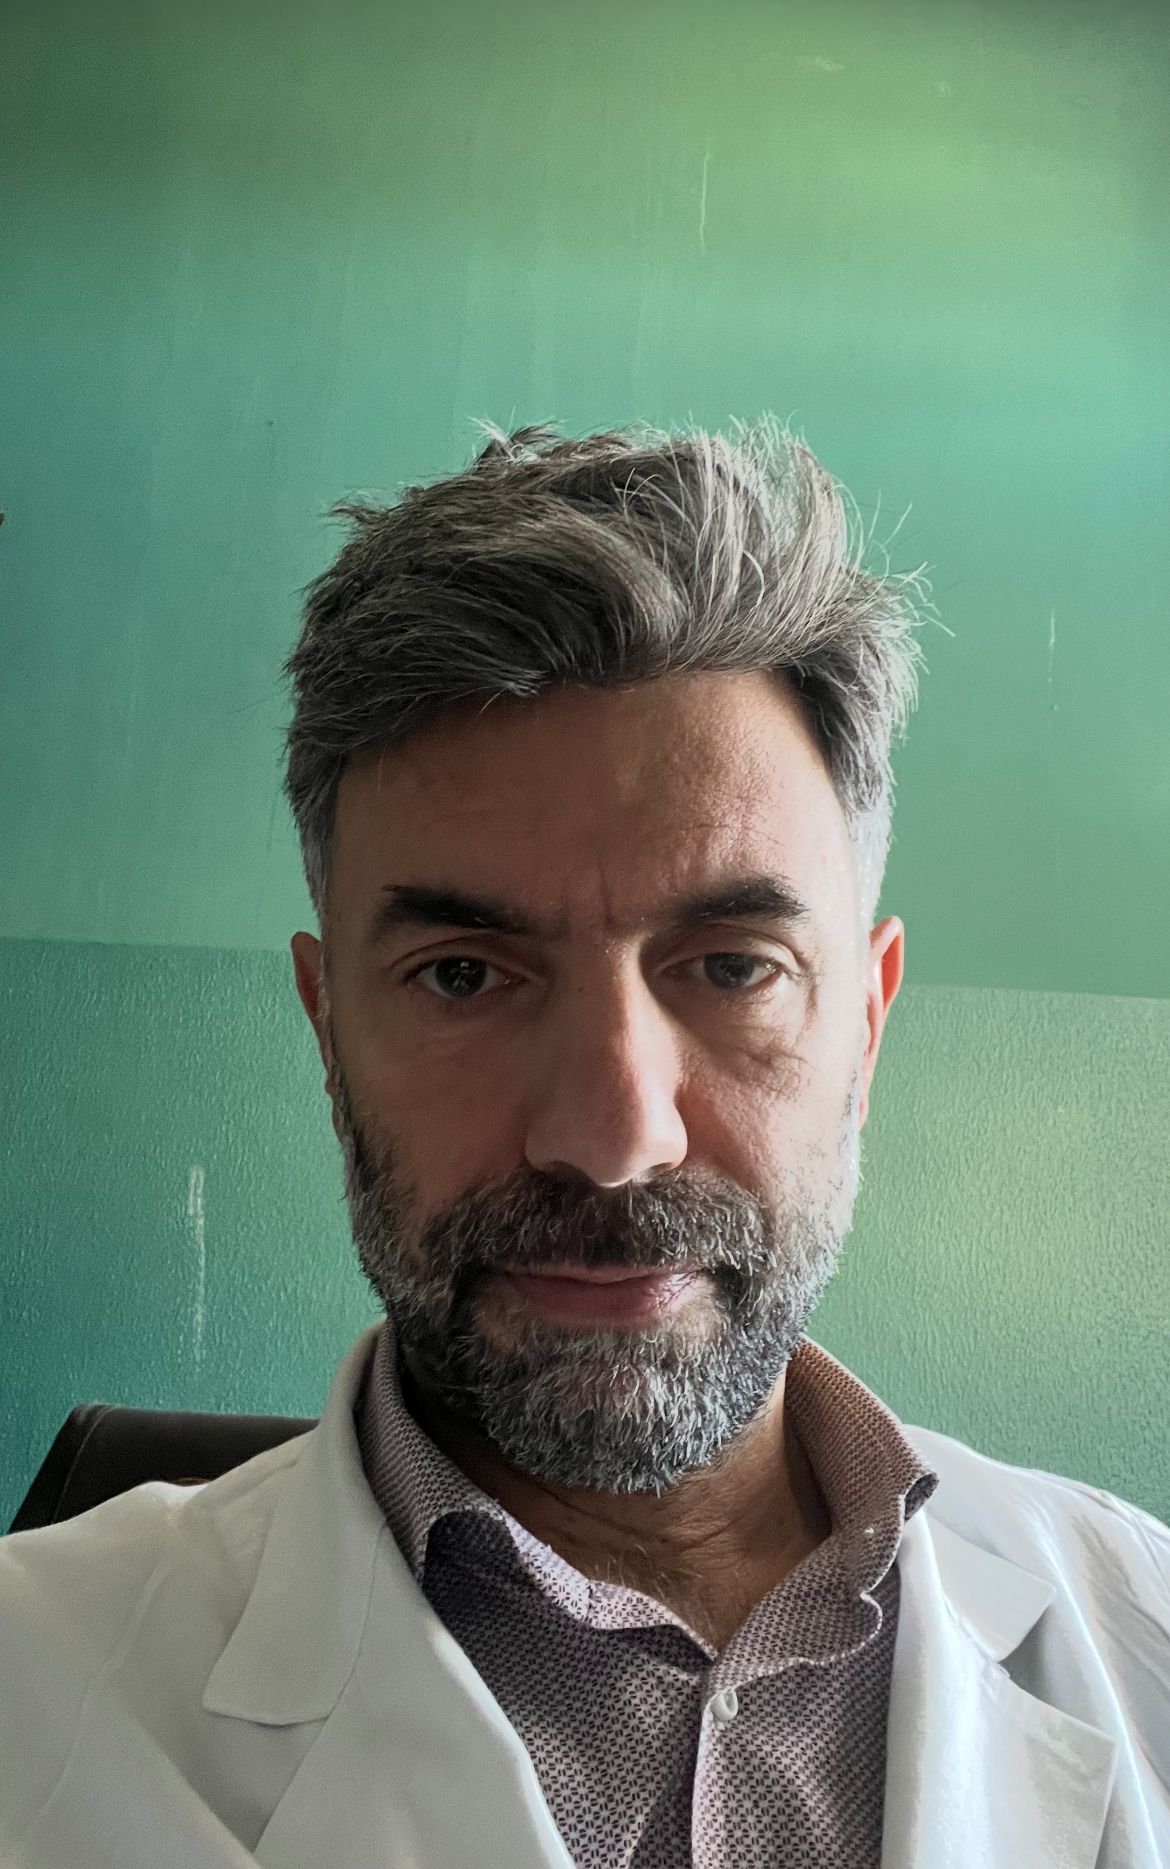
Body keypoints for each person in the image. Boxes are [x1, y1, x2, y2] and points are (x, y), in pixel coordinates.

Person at [1, 420, 1167, 1869]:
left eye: (732, 968)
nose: (611, 1138)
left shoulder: (1140, 1629)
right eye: (462, 975)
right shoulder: (28, 1693)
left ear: (865, 1020)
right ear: (328, 1026)